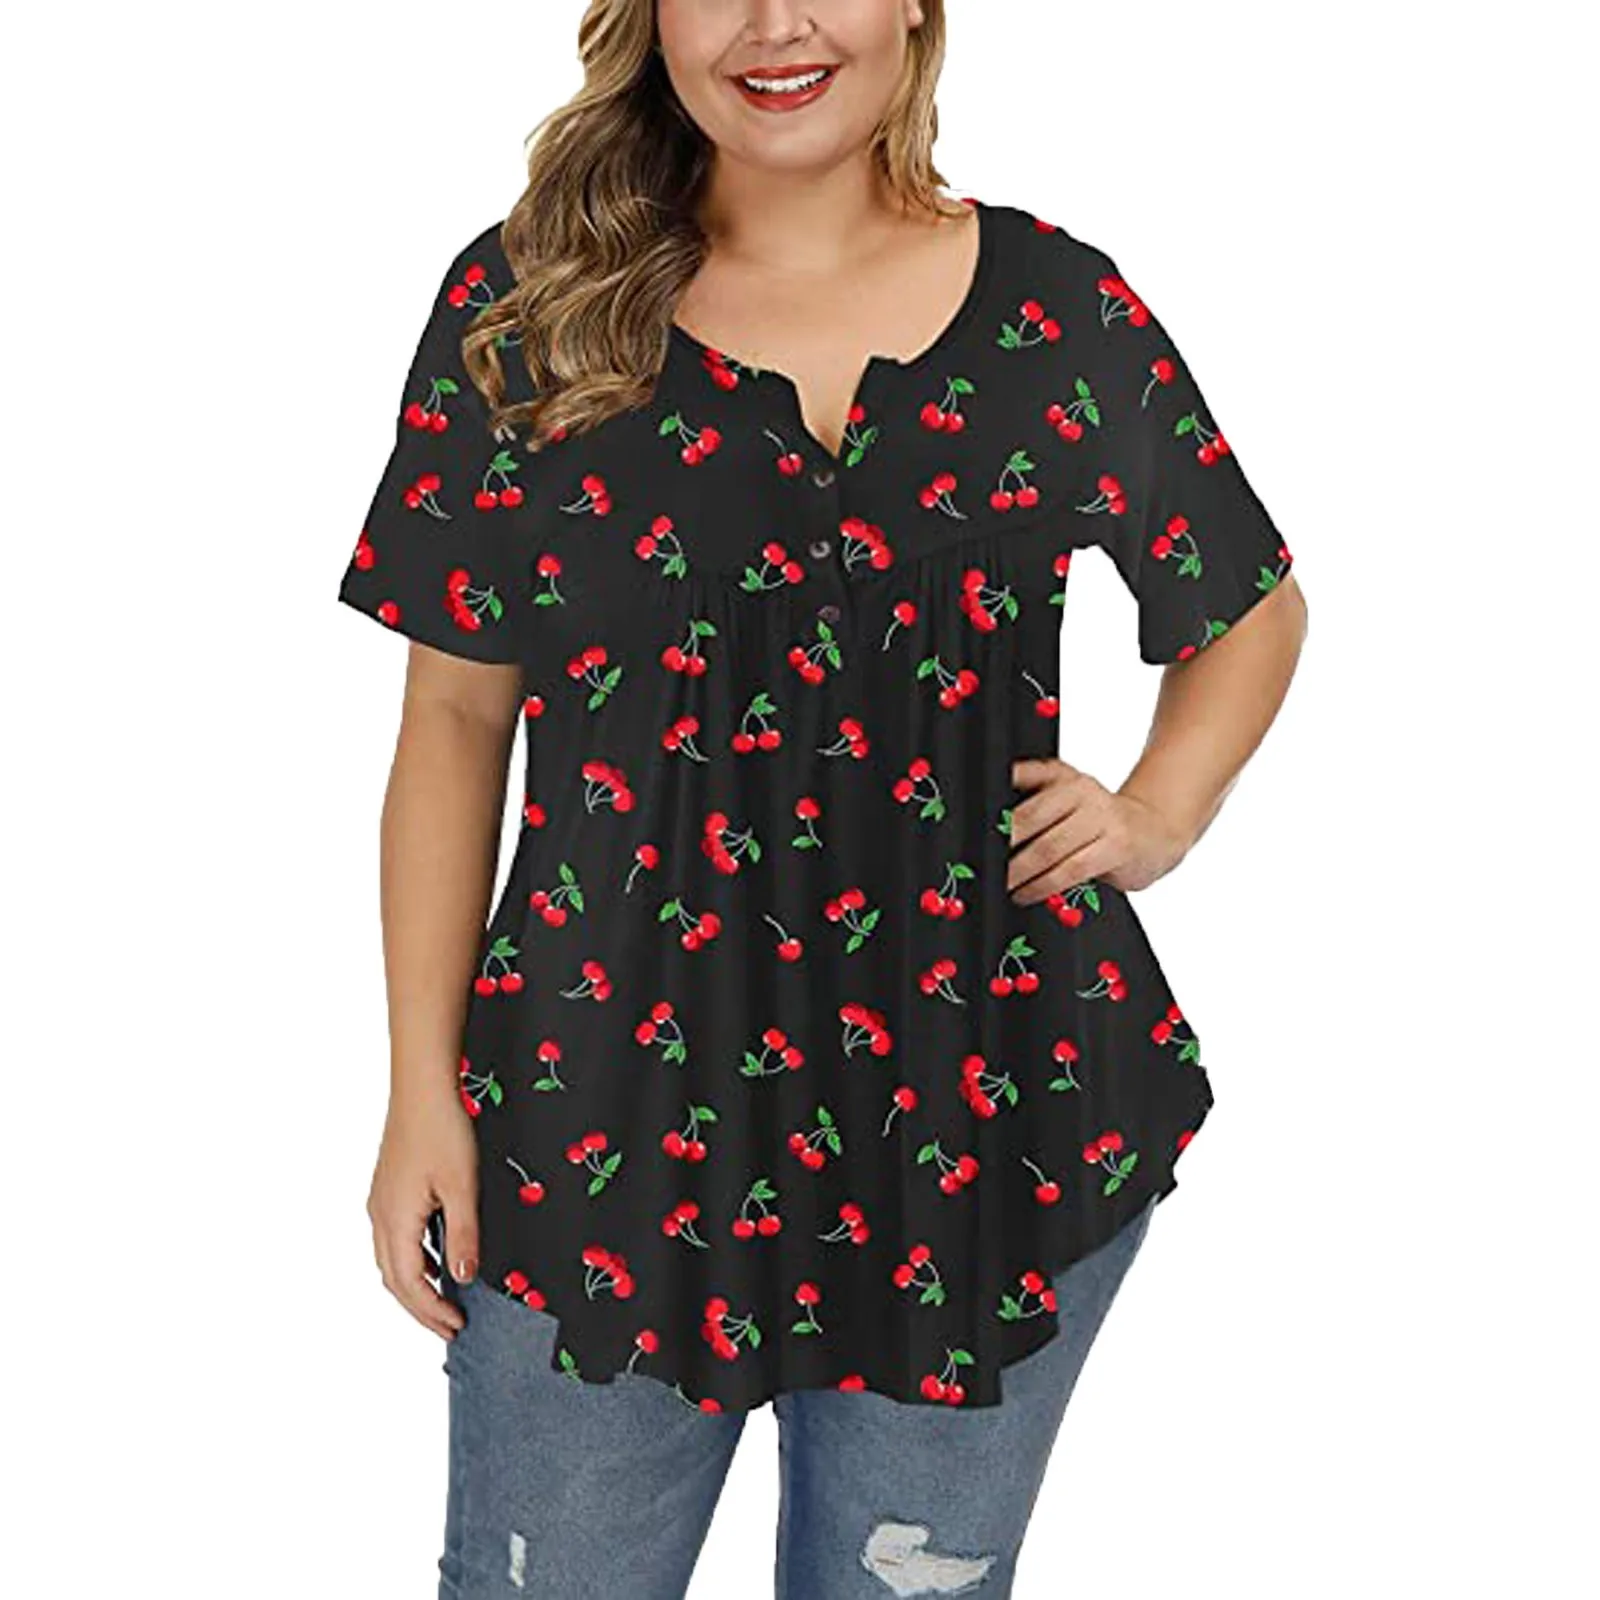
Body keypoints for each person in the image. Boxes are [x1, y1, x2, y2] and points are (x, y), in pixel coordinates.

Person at [335, 3, 1308, 1595]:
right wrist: (419, 1091)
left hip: (983, 1122)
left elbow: (1249, 604)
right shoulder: (529, 310)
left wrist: (1159, 811)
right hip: (605, 1129)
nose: (776, 24)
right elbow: (452, 719)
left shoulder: (1055, 310)